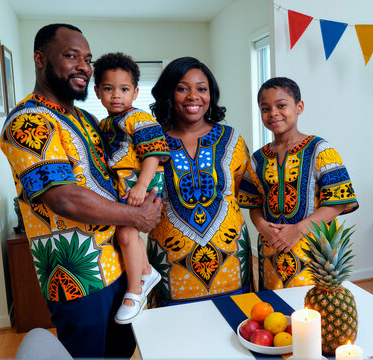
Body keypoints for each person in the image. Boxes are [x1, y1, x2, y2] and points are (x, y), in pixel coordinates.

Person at [0, 24, 162, 358]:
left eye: (87, 59)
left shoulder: (87, 118)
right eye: (71, 56)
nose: (84, 67)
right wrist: (138, 215)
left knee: (122, 351)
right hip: (78, 276)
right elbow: (63, 197)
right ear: (40, 59)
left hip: (119, 265)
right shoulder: (28, 121)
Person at [147, 56, 256, 306]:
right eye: (182, 88)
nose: (193, 96)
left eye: (202, 89)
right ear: (169, 94)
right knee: (176, 337)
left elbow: (243, 192)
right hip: (171, 263)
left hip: (230, 260)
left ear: (211, 95)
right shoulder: (151, 141)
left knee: (235, 329)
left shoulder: (231, 139)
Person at [239, 77, 359, 290]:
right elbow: (254, 203)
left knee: (312, 313)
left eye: (281, 105)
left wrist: (298, 230)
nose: (273, 113)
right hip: (271, 251)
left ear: (299, 107)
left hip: (313, 254)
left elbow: (339, 202)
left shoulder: (320, 149)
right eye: (265, 108)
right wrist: (260, 225)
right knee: (273, 314)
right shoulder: (257, 159)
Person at [93, 52, 169, 323]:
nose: (116, 95)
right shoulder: (104, 124)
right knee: (129, 237)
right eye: (108, 89)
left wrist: (141, 185)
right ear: (97, 92)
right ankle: (147, 271)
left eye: (124, 89)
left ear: (135, 92)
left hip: (141, 184)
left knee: (126, 236)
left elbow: (154, 153)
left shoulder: (139, 119)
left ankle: (135, 291)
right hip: (123, 187)